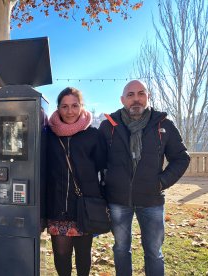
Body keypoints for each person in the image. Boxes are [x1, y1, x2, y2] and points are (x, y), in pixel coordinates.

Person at [99, 80, 190, 275]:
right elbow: (98, 161)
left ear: (148, 96)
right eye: (130, 95)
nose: (136, 99)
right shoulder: (108, 126)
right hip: (118, 200)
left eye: (141, 93)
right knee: (121, 249)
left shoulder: (163, 125)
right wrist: (106, 186)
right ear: (122, 99)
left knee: (154, 252)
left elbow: (181, 158)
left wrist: (161, 182)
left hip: (152, 200)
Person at [46, 87, 106, 276]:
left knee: (83, 256)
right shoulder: (48, 134)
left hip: (84, 206)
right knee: (61, 256)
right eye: (64, 106)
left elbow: (103, 168)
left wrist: (103, 197)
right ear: (58, 108)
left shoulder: (93, 135)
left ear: (82, 107)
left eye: (74, 105)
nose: (70, 111)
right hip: (57, 207)